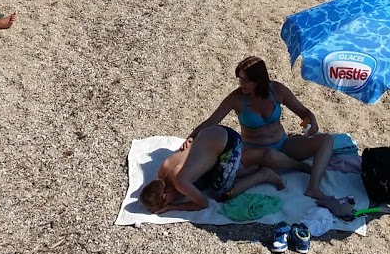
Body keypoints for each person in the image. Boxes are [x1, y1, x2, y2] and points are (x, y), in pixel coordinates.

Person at [194, 57, 354, 218]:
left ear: (259, 80)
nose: (241, 84)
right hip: (253, 151)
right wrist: (191, 139)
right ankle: (300, 167)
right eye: (239, 79)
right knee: (269, 155)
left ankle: (313, 187)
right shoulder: (236, 98)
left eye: (245, 80)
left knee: (327, 140)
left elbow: (303, 112)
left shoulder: (276, 91)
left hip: (282, 143)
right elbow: (211, 122)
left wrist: (311, 121)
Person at [138, 124, 286, 214]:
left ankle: (264, 175)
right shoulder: (162, 171)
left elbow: (202, 204)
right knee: (200, 182)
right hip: (211, 133)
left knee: (221, 194)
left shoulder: (180, 181)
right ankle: (249, 170)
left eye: (167, 201)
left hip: (230, 143)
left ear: (165, 197)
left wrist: (171, 207)